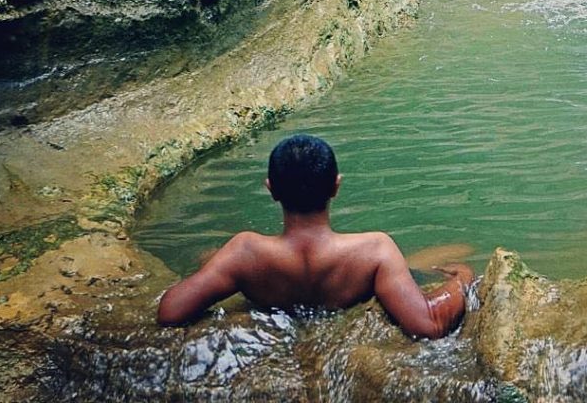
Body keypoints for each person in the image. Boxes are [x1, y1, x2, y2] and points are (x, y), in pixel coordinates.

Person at [156, 133, 476, 338]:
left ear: (271, 190)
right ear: (336, 186)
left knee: (209, 258)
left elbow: (171, 311)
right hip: (351, 281)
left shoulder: (246, 252)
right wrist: (462, 279)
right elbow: (429, 323)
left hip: (272, 295)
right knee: (430, 265)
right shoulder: (374, 250)